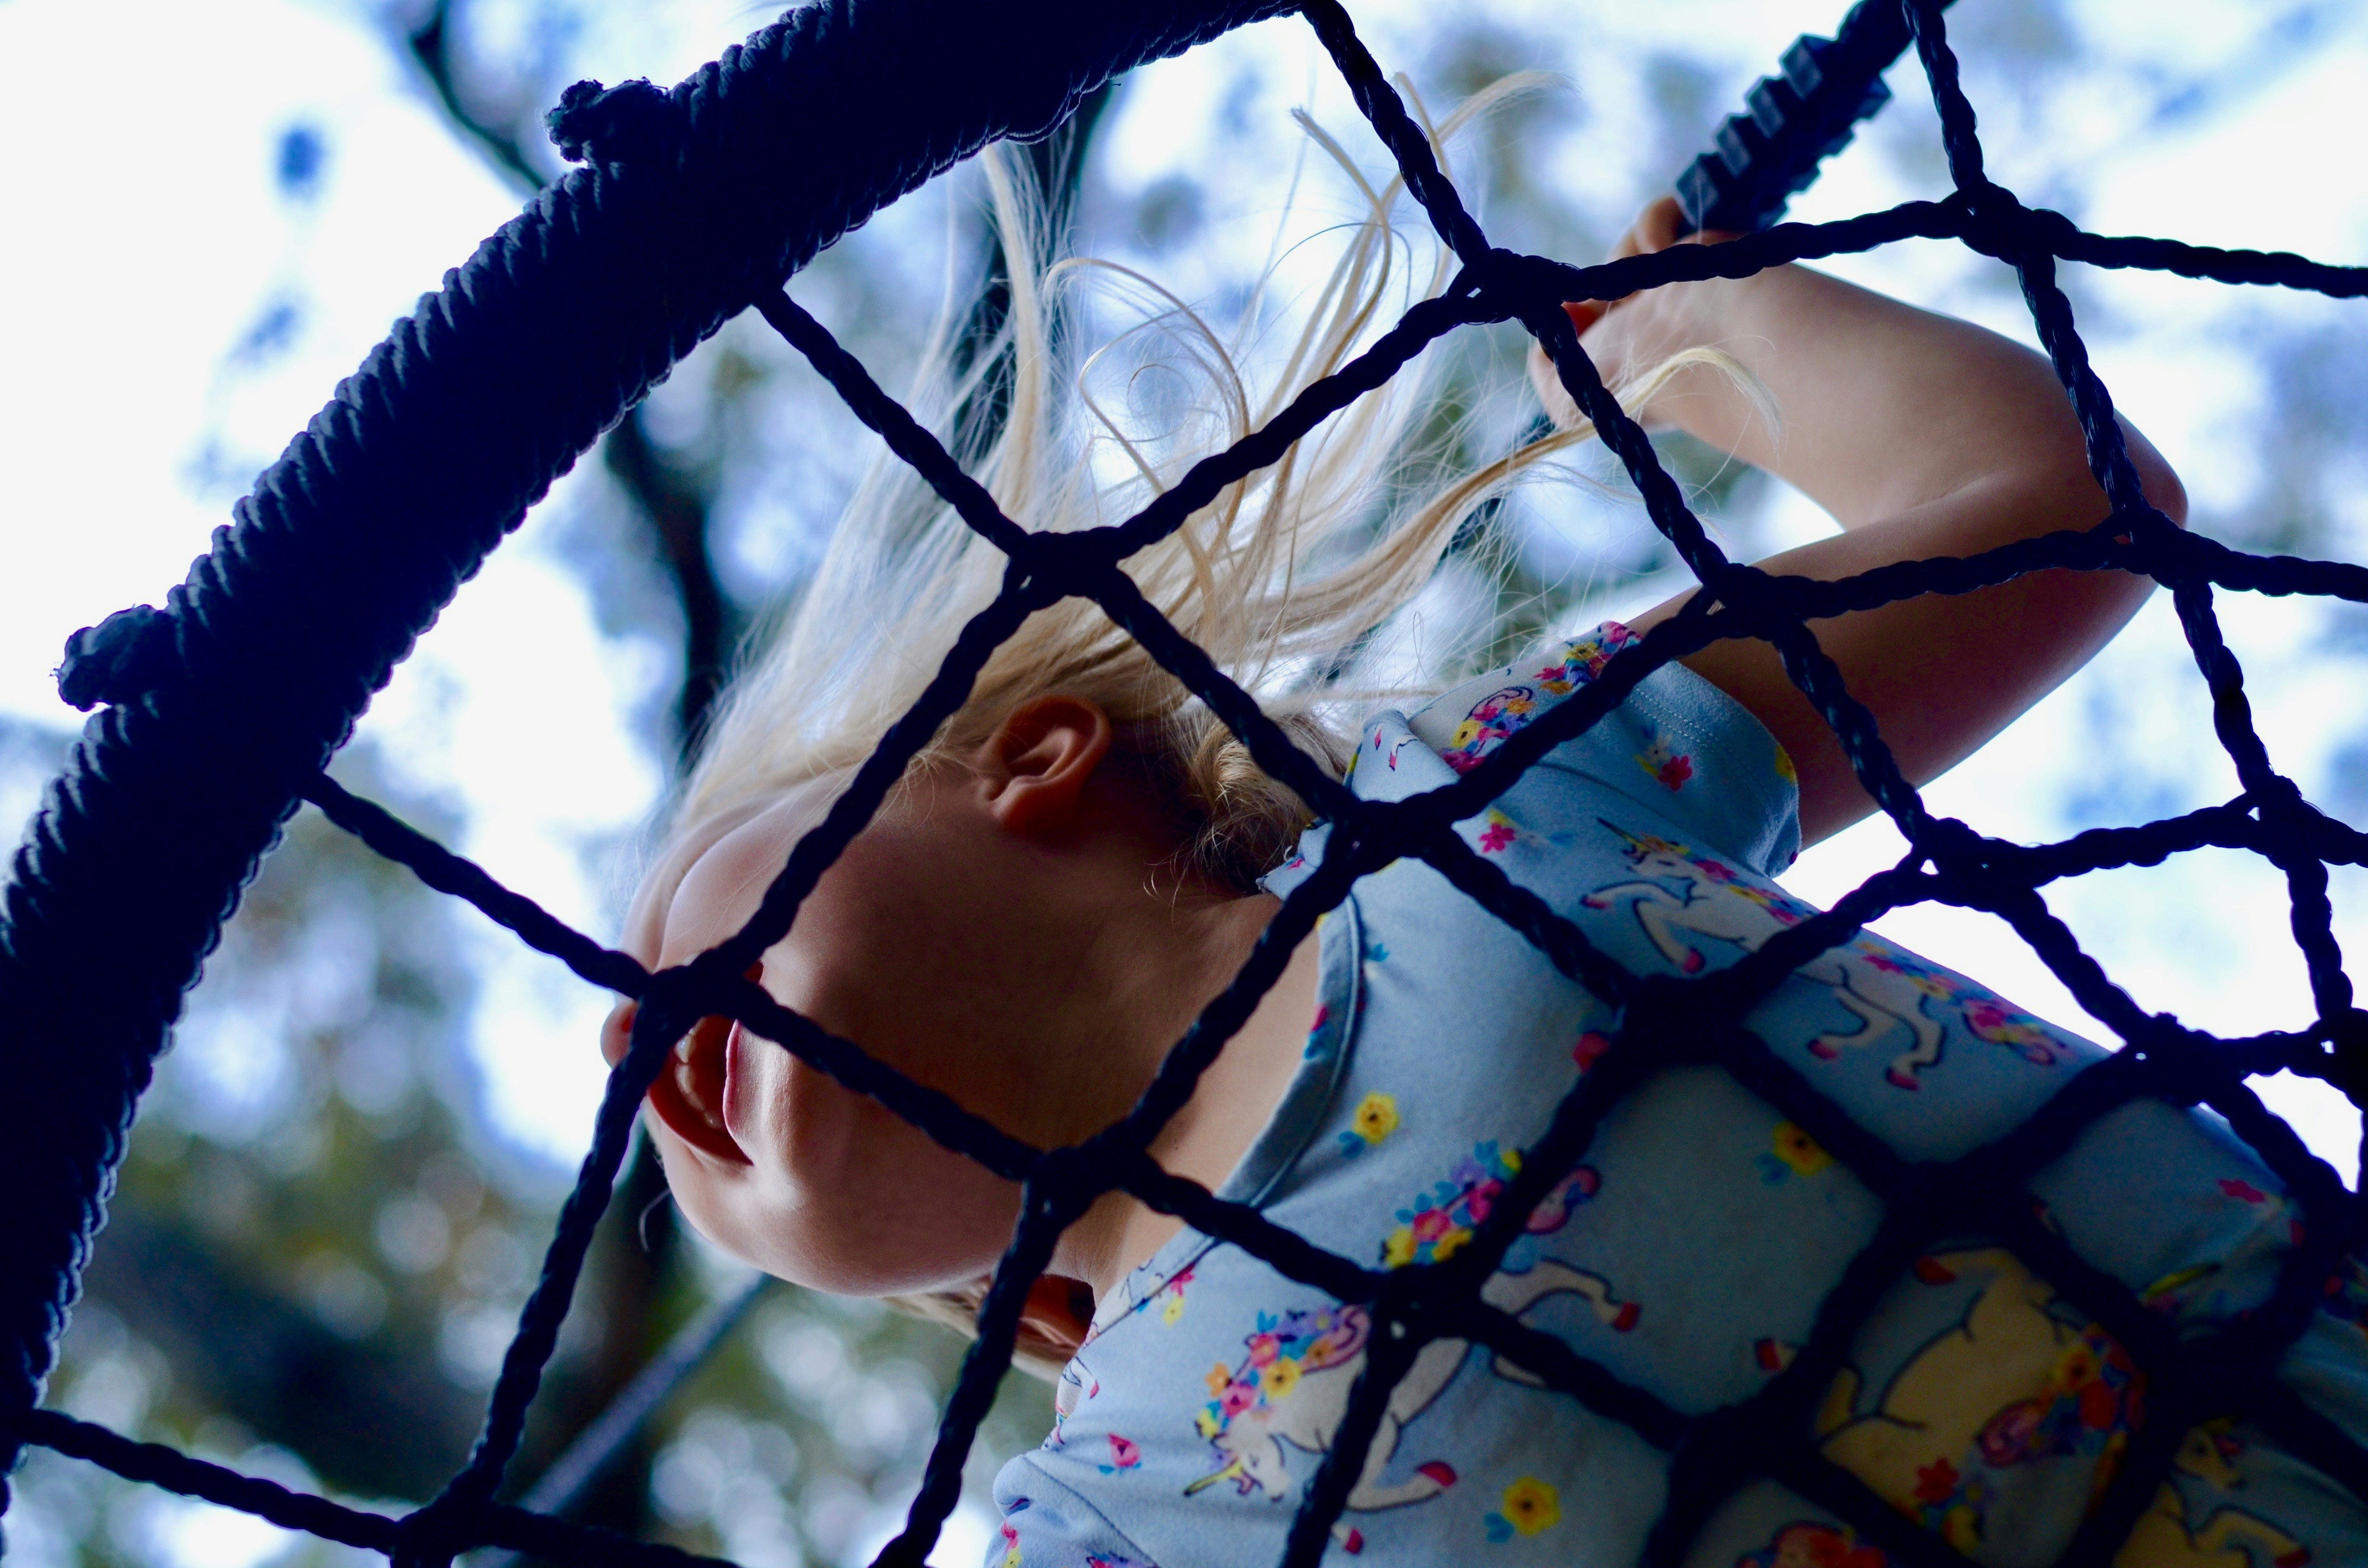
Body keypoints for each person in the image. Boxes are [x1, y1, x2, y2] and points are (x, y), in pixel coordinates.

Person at [600, 99, 2367, 1567]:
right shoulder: (1095, 1524)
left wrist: (1708, 323)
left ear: (1035, 758)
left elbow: (2052, 515)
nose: (626, 1033)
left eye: (682, 904)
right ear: (999, 1298)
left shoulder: (1470, 802)